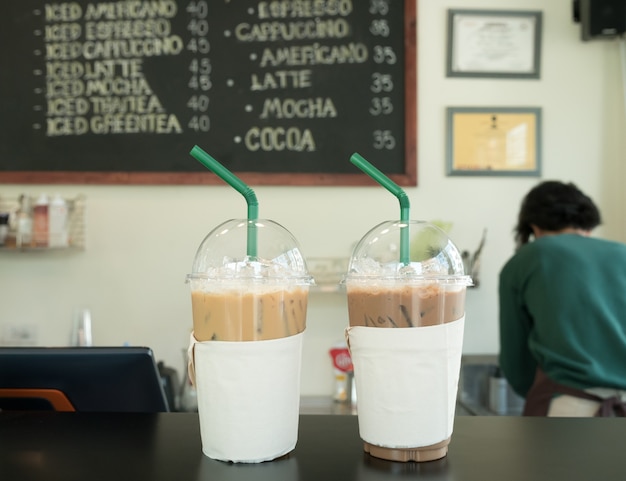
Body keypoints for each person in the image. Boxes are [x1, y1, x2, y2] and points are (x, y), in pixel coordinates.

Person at [498, 180, 626, 417]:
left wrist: (537, 392)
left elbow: (516, 362)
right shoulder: (622, 253)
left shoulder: (527, 259)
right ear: (587, 224)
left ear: (533, 228)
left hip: (569, 406)